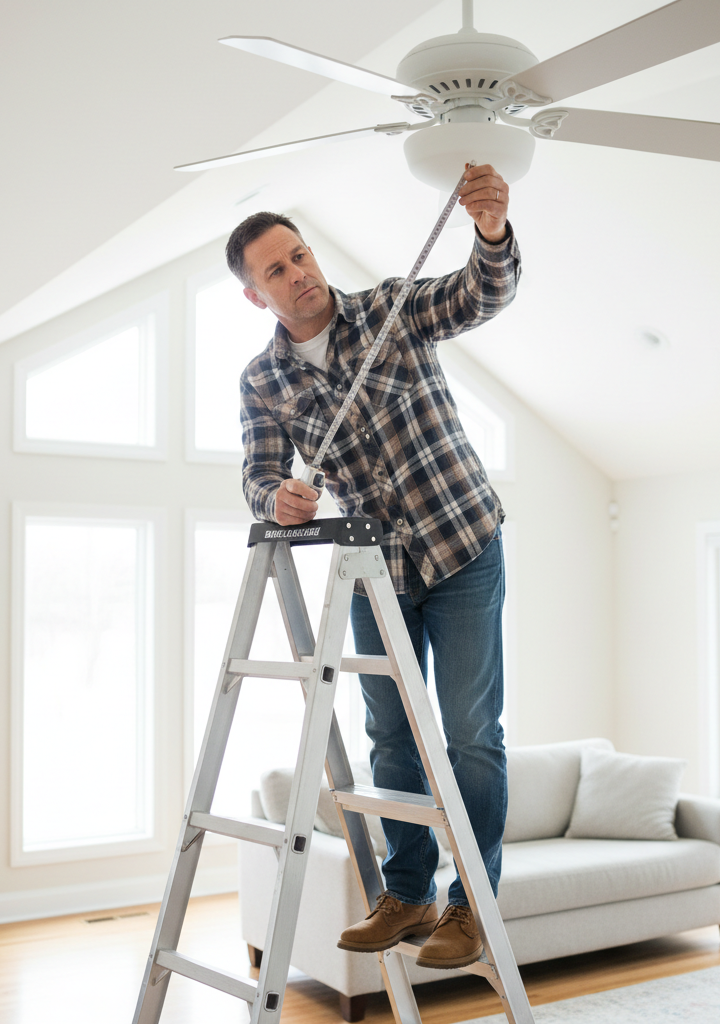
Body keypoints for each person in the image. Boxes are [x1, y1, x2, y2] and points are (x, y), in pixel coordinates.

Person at [226, 163, 519, 969]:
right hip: (375, 569)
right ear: (257, 296)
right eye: (276, 270)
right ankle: (410, 893)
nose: (298, 273)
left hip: (462, 544)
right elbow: (257, 474)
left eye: (301, 254)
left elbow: (479, 295)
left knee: (468, 737)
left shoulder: (391, 310)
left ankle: (472, 906)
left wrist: (489, 231)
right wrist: (274, 499)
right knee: (390, 735)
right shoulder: (263, 381)